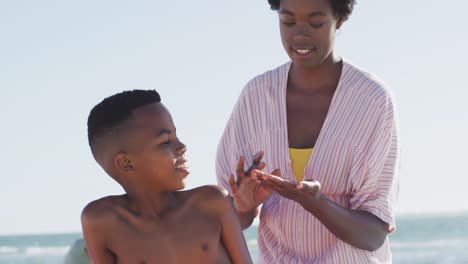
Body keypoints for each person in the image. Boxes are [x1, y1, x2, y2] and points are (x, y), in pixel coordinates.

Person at [216, 0, 399, 263]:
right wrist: (244, 207)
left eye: (315, 22)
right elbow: (234, 219)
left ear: (339, 20)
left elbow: (373, 234)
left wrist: (317, 203)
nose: (299, 34)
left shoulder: (371, 100)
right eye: (288, 21)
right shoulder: (255, 97)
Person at [81, 90, 252, 264]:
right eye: (165, 141)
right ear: (126, 163)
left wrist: (248, 208)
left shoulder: (212, 202)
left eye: (176, 136)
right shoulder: (101, 221)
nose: (182, 147)